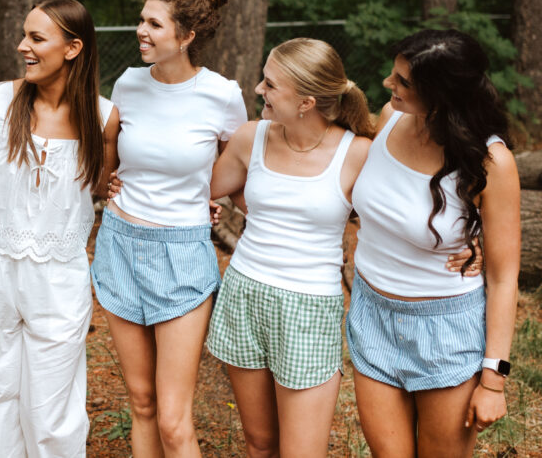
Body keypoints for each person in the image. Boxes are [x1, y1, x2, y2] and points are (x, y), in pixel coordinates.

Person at [0, 0, 120, 457]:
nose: (23, 46)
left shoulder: (104, 118)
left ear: (72, 48)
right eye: (24, 35)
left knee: (53, 406)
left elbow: (107, 186)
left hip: (59, 273)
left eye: (36, 38)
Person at [90, 0, 247, 458]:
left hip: (183, 255)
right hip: (119, 245)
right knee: (140, 402)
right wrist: (105, 183)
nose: (141, 30)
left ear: (187, 37)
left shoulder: (221, 94)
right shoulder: (129, 84)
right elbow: (111, 160)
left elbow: (237, 170)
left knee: (174, 419)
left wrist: (218, 196)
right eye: (141, 19)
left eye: (154, 24)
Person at [347, 29, 520, 457]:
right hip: (371, 315)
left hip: (445, 330)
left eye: (404, 81)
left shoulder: (490, 162)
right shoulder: (389, 118)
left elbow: (503, 277)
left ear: (441, 94)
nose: (390, 84)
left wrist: (493, 378)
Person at [204, 38, 375, 457]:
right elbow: (206, 189)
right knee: (260, 443)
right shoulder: (250, 138)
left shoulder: (358, 154)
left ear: (306, 102)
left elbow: (401, 219)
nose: (259, 90)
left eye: (270, 84)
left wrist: (469, 248)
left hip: (308, 307)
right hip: (244, 294)